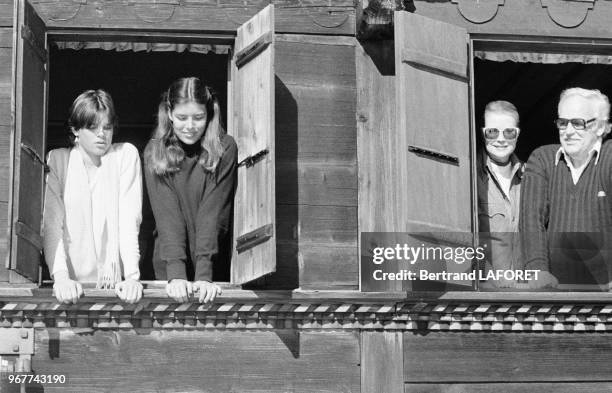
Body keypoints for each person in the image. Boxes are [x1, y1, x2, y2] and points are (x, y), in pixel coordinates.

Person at [43, 90, 143, 304]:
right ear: (75, 130)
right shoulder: (58, 160)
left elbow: (129, 220)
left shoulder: (125, 155)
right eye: (92, 127)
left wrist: (132, 277)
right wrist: (61, 278)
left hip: (113, 284)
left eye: (107, 127)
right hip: (70, 283)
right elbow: (52, 224)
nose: (102, 134)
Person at [144, 77, 237, 303]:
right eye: (181, 118)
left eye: (198, 117)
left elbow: (213, 213)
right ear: (169, 113)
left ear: (209, 113)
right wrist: (176, 274)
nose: (190, 126)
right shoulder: (155, 150)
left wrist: (205, 274)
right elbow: (167, 217)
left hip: (212, 268)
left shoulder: (225, 147)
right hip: (169, 269)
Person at [520, 88, 612, 289]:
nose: (568, 131)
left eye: (578, 123)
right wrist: (537, 271)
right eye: (563, 123)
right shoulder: (542, 159)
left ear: (598, 126)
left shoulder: (610, 156)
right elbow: (531, 220)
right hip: (555, 292)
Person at [477, 101, 523, 288]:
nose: (501, 139)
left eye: (509, 132)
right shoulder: (470, 177)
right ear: (483, 133)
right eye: (492, 132)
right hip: (485, 292)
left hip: (527, 291)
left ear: (517, 134)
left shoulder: (532, 177)